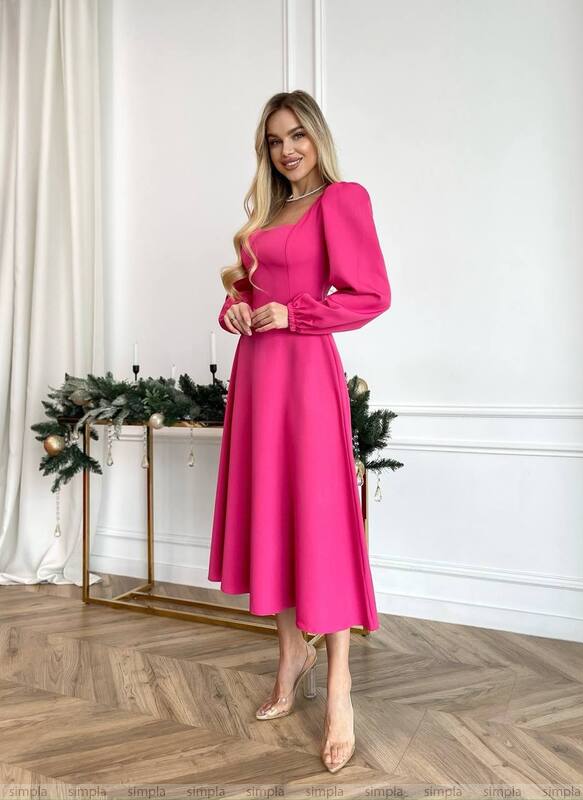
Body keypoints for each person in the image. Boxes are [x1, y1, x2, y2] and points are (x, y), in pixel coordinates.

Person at [208, 89, 391, 774]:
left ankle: (339, 684)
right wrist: (236, 310)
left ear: (317, 138)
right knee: (273, 515)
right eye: (275, 140)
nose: (286, 150)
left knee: (318, 518)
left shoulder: (341, 199)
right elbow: (251, 290)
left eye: (297, 136)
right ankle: (291, 653)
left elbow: (371, 293)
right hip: (257, 378)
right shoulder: (269, 211)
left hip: (307, 379)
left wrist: (296, 315)